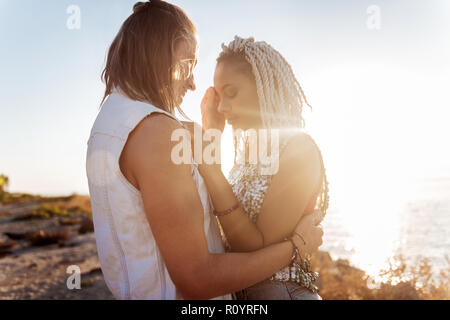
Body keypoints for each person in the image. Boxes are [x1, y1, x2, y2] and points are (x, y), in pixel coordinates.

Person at [86, 0, 323, 300]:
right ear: (164, 52)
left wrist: (211, 138)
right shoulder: (157, 131)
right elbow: (197, 277)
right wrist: (297, 247)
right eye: (190, 64)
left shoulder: (110, 123)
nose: (194, 84)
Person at [198, 36, 329, 299]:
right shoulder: (250, 154)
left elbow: (255, 248)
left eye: (232, 93)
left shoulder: (299, 149)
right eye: (218, 96)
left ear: (263, 87)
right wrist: (211, 133)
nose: (222, 107)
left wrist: (212, 171)